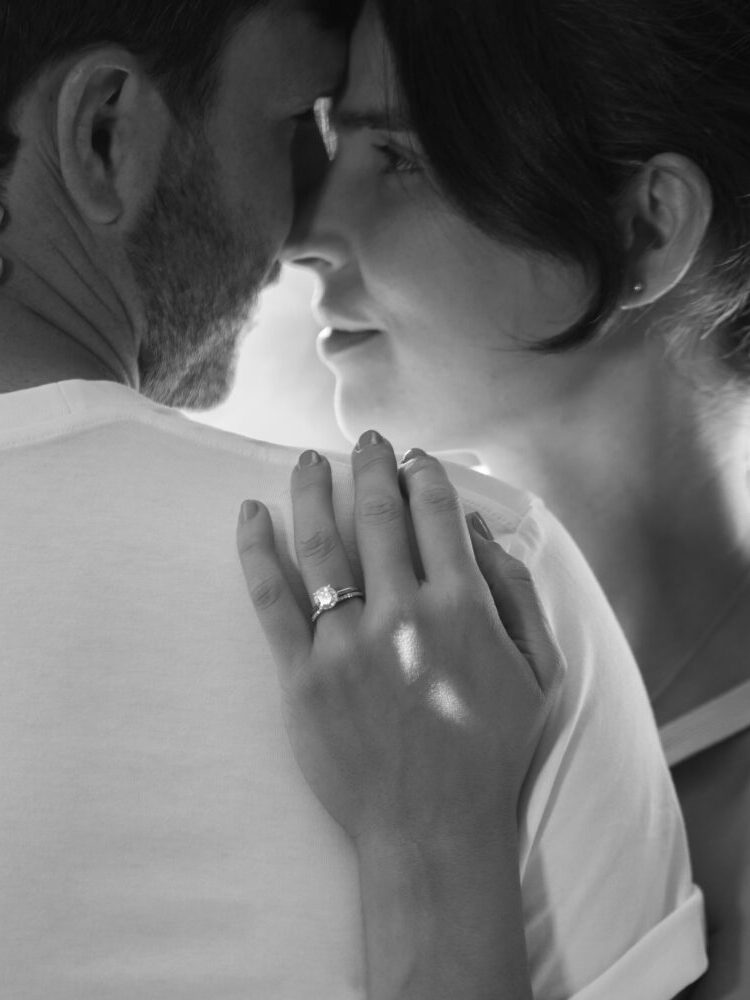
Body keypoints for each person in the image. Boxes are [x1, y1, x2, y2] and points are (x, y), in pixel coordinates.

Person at [0, 0, 705, 997]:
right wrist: (433, 856)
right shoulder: (465, 590)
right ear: (106, 135)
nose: (300, 227)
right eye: (295, 126)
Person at [281, 0, 750, 995]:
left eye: (398, 159)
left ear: (646, 225)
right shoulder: (350, 691)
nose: (307, 235)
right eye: (328, 146)